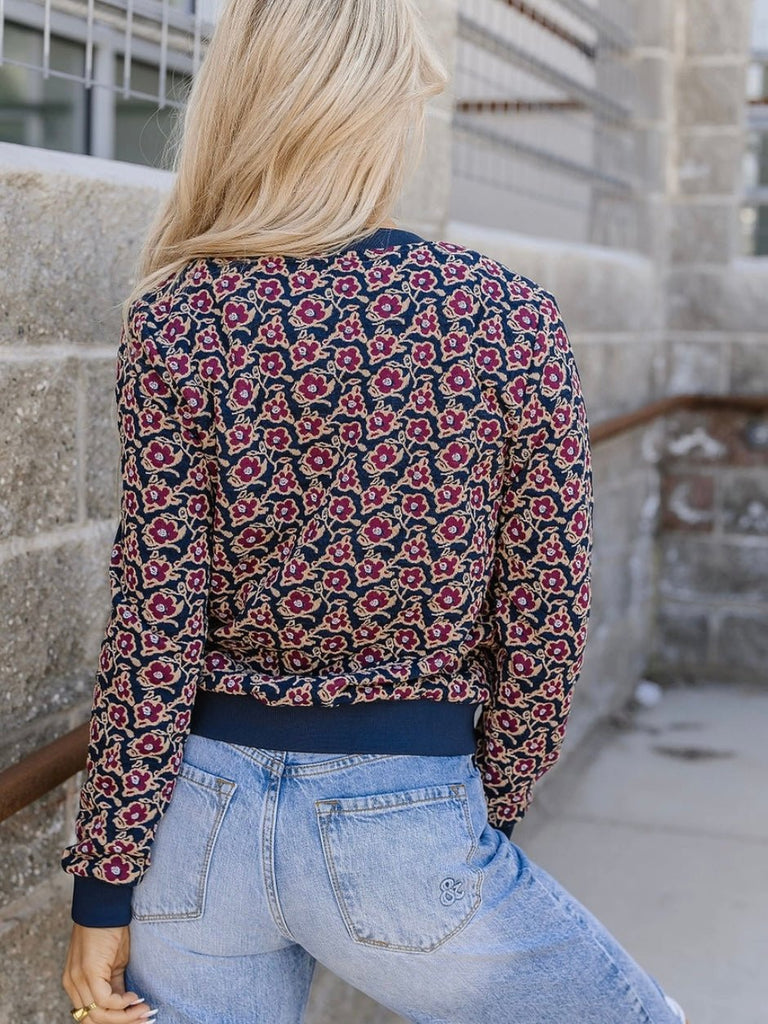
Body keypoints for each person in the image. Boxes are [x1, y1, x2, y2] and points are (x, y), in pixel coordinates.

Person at [60, 2, 689, 1022]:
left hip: (197, 833)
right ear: (380, 112)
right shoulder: (506, 318)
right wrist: (483, 813)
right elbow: (546, 617)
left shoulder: (176, 318)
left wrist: (104, 882)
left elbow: (153, 623)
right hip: (406, 816)